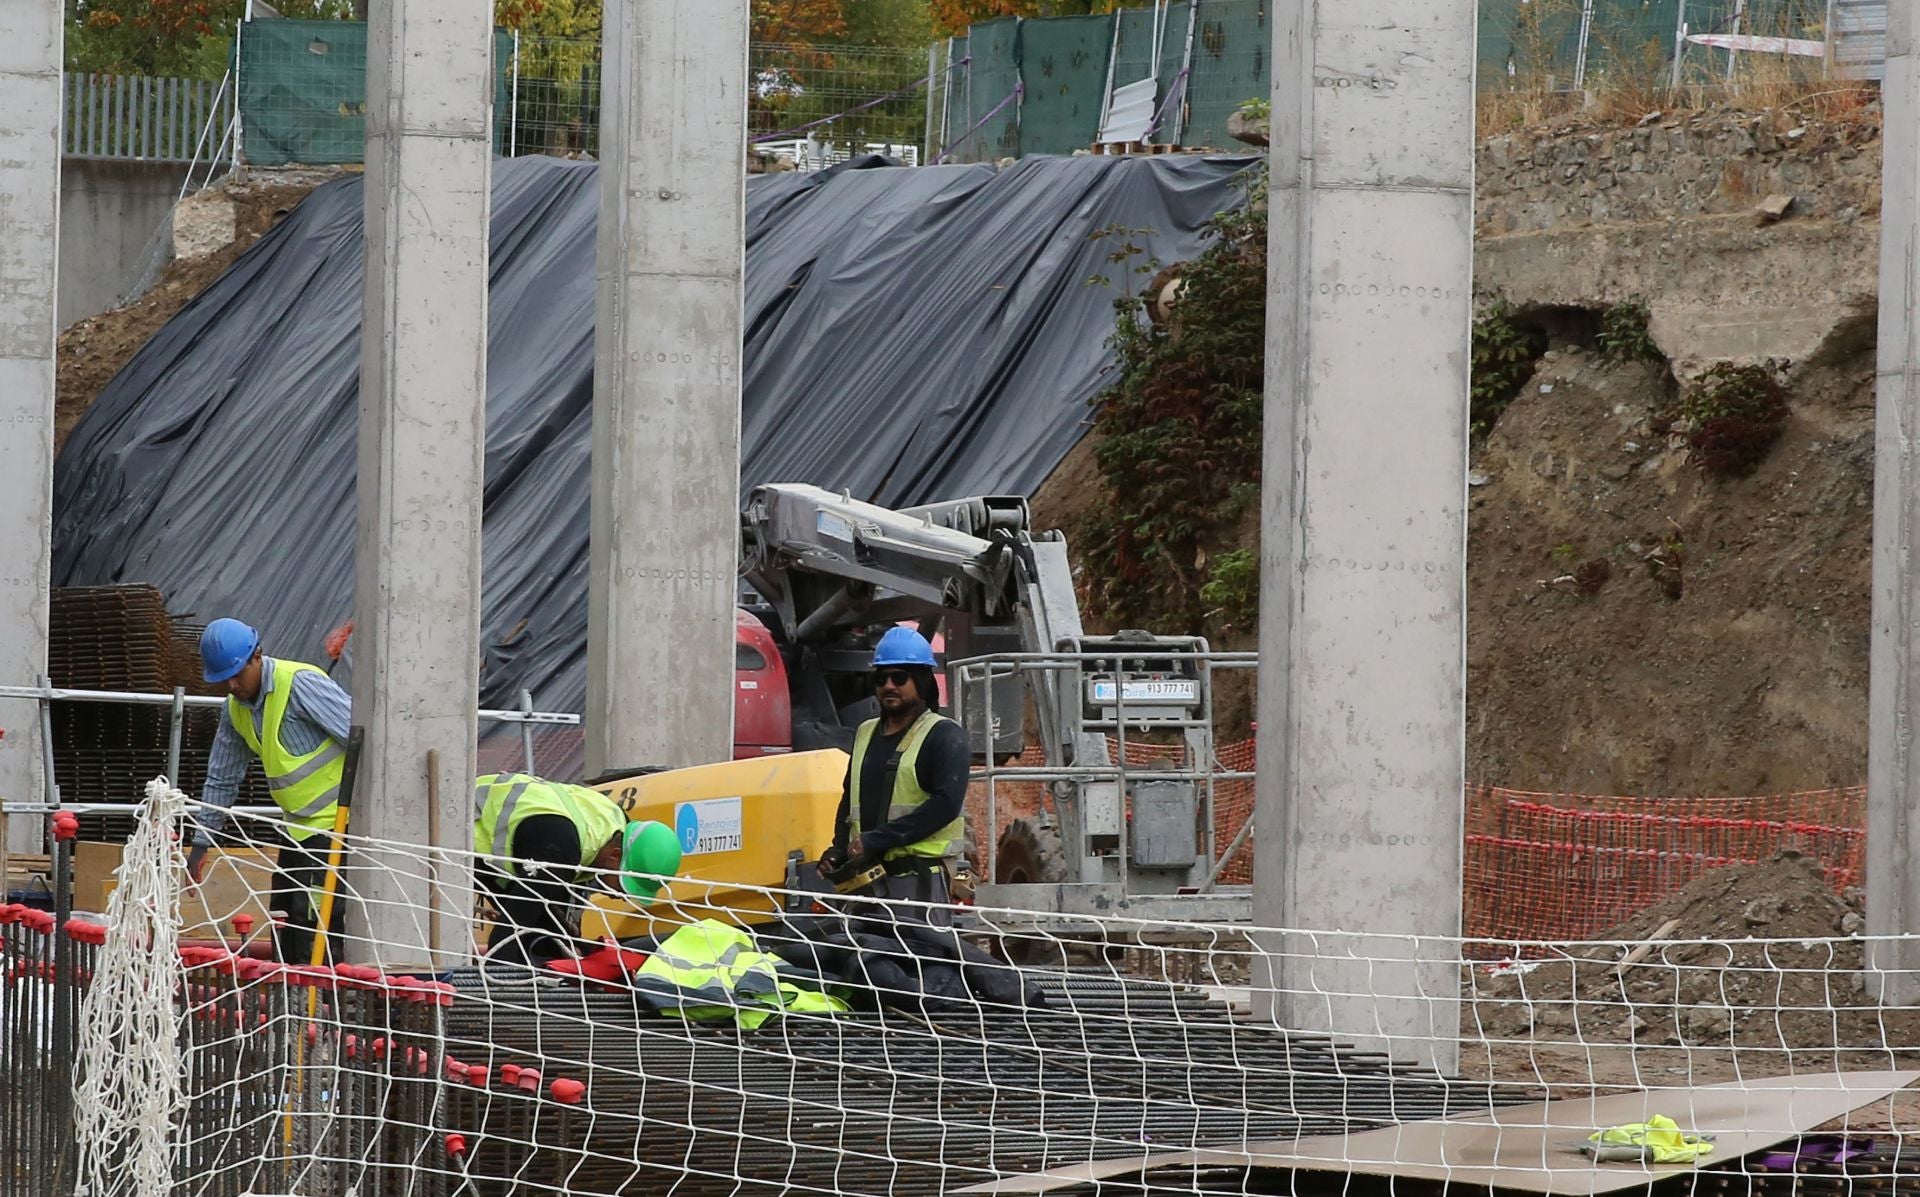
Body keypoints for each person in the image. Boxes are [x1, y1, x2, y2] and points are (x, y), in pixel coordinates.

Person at [188, 617, 352, 965]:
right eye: (223, 680)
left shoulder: (301, 685)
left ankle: (325, 1008)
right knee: (285, 918)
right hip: (298, 830)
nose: (232, 686)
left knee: (319, 923)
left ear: (257, 657)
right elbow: (222, 776)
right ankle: (289, 1006)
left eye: (236, 674)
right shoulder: (236, 711)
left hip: (337, 827)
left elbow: (362, 739)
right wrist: (201, 842)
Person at [818, 627, 970, 927]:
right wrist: (838, 848)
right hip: (866, 881)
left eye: (899, 678)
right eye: (881, 678)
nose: (889, 685)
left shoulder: (943, 735)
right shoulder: (864, 733)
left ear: (922, 681)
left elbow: (945, 806)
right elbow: (851, 799)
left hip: (918, 884)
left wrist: (877, 839)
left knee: (918, 967)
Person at [473, 771, 682, 966]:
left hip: (501, 823)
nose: (620, 896)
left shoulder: (611, 827)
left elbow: (550, 928)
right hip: (460, 821)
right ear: (615, 855)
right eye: (624, 885)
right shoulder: (559, 851)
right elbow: (509, 931)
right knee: (523, 925)